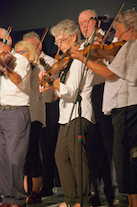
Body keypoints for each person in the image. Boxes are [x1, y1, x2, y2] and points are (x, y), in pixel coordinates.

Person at [70, 9, 137, 207]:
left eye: (119, 31)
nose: (117, 36)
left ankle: (123, 196)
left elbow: (109, 73)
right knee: (119, 155)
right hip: (114, 105)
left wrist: (85, 58)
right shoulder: (123, 46)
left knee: (125, 155)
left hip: (127, 105)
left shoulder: (130, 45)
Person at [39, 18, 104, 207]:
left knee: (77, 158)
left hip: (79, 113)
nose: (59, 45)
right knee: (60, 155)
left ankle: (83, 200)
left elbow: (73, 90)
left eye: (62, 40)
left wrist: (52, 83)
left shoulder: (79, 58)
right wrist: (52, 88)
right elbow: (64, 91)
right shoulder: (68, 61)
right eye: (57, 42)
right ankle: (69, 199)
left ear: (73, 37)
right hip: (66, 115)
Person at [78, 9, 116, 207]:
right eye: (81, 23)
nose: (84, 27)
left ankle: (114, 192)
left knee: (109, 148)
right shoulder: (82, 46)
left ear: (97, 23)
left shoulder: (105, 40)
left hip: (104, 94)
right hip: (88, 98)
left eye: (88, 22)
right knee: (92, 150)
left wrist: (98, 50)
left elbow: (108, 64)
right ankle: (96, 193)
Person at [23, 31, 59, 197]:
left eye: (30, 46)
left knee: (47, 147)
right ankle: (29, 186)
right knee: (30, 149)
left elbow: (56, 83)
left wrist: (42, 66)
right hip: (31, 108)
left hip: (47, 107)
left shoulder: (50, 61)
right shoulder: (24, 64)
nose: (27, 50)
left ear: (39, 46)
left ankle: (47, 185)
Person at [0, 28, 31, 207]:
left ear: (8, 41)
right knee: (2, 157)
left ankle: (18, 199)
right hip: (1, 111)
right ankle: (6, 198)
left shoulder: (19, 60)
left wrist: (3, 66)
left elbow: (18, 80)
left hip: (16, 112)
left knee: (14, 157)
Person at [14, 40, 46, 204]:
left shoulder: (36, 67)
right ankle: (27, 190)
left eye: (22, 52)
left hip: (34, 115)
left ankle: (36, 190)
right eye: (17, 52)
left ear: (30, 52)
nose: (19, 55)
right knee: (24, 154)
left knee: (32, 152)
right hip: (23, 115)